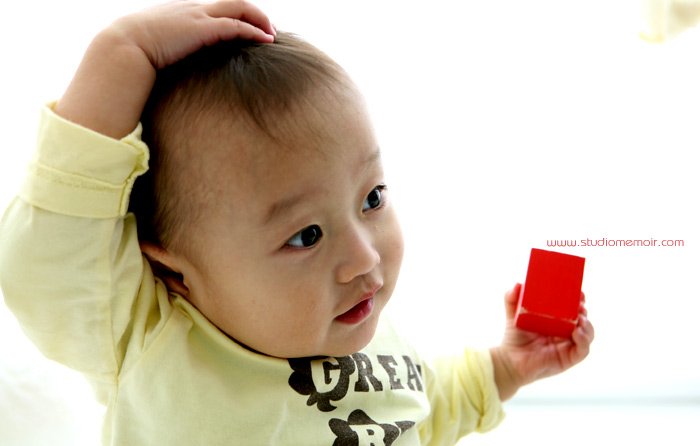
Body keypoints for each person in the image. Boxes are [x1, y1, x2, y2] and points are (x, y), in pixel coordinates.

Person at [0, 1, 594, 445]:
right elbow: (50, 256)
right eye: (305, 236)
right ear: (176, 273)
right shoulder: (152, 341)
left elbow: (419, 410)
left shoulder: (363, 329)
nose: (364, 258)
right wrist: (120, 54)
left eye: (372, 198)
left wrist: (504, 368)